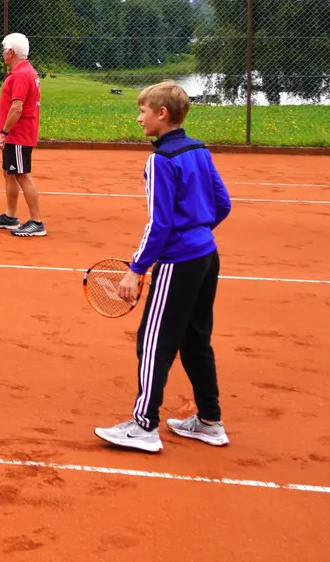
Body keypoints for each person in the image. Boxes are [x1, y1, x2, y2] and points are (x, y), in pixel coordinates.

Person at [95, 81, 233, 453]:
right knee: (195, 339)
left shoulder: (160, 160)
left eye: (142, 111)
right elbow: (223, 204)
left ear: (162, 114)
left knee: (153, 342)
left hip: (178, 263)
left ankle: (144, 426)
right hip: (207, 257)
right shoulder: (200, 150)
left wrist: (136, 268)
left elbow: (159, 223)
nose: (138, 118)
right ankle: (209, 420)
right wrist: (199, 232)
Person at [0, 33, 45, 236]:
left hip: (18, 135)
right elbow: (14, 107)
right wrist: (1, 129)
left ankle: (37, 222)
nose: (2, 52)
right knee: (9, 173)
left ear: (10, 52)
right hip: (15, 133)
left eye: (3, 49)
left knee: (21, 175)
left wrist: (5, 133)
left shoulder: (20, 74)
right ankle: (10, 217)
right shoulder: (25, 71)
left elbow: (17, 108)